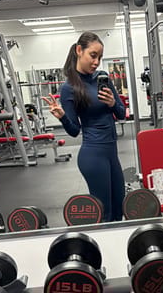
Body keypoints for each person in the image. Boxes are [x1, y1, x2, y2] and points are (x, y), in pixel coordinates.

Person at [42, 31, 127, 221]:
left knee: (119, 210)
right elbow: (74, 131)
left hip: (111, 154)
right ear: (79, 50)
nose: (96, 62)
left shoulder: (103, 78)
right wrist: (63, 117)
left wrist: (113, 103)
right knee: (104, 214)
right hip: (93, 155)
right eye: (93, 55)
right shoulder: (69, 88)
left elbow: (121, 114)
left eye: (100, 57)